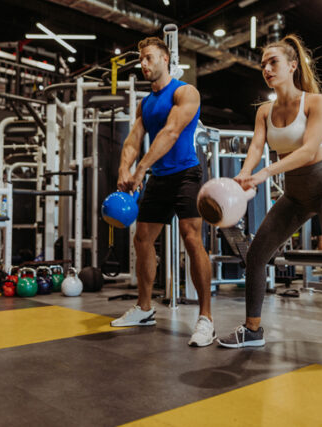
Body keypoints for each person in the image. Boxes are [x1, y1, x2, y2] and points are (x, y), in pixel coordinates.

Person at [216, 34, 322, 387]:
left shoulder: (315, 102)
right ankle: (254, 330)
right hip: (296, 196)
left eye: (273, 62)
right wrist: (245, 172)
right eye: (262, 64)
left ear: (292, 66)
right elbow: (257, 146)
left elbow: (307, 151)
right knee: (256, 255)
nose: (267, 69)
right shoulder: (264, 112)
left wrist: (263, 174)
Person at [110, 37, 215, 347]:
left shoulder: (185, 92)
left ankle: (206, 318)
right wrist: (122, 169)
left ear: (165, 59)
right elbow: (133, 138)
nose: (144, 63)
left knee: (191, 238)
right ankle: (144, 308)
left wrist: (140, 170)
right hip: (159, 177)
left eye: (150, 58)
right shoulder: (146, 102)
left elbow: (171, 132)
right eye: (141, 58)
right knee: (142, 239)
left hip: (186, 174)